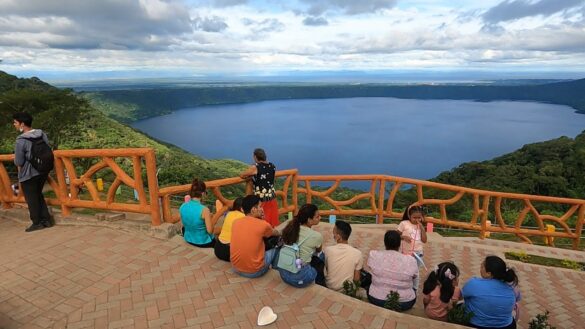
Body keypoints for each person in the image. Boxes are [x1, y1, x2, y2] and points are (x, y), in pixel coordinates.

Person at [12, 112, 53, 232]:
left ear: (22, 124)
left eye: (15, 122)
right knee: (38, 195)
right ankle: (46, 220)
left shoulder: (21, 140)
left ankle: (37, 222)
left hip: (29, 174)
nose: (14, 124)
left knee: (31, 198)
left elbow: (19, 161)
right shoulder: (41, 134)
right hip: (43, 170)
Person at [462, 256, 520, 329]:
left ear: (489, 273)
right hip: (506, 326)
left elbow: (462, 295)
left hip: (476, 325)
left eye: (482, 266)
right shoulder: (512, 286)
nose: (480, 267)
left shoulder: (474, 283)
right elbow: (517, 299)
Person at [366, 230, 418, 311]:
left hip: (376, 298)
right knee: (413, 287)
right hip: (404, 302)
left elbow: (371, 268)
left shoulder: (374, 255)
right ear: (399, 244)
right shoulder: (411, 260)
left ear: (385, 242)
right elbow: (414, 277)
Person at [231, 195, 280, 278]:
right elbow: (275, 233)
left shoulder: (235, 222)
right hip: (254, 271)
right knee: (278, 244)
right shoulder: (263, 225)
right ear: (253, 209)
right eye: (260, 206)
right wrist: (263, 219)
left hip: (235, 268)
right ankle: (275, 268)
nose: (262, 209)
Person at [276, 204, 324, 288]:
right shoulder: (316, 236)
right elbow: (319, 251)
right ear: (309, 220)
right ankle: (321, 283)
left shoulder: (291, 228)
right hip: (300, 279)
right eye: (317, 216)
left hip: (283, 274)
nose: (320, 218)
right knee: (321, 256)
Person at [240, 148, 279, 227]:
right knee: (272, 220)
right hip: (271, 197)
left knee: (262, 221)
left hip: (261, 199)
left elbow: (242, 175)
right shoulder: (272, 166)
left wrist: (250, 177)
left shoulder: (256, 167)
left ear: (255, 157)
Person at [323, 220, 363, 291]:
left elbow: (327, 267)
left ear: (338, 237)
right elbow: (356, 279)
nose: (333, 235)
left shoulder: (328, 250)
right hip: (347, 288)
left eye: (334, 233)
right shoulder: (358, 253)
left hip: (329, 285)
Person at [180, 178, 216, 248]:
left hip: (187, 238)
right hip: (202, 242)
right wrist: (211, 219)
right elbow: (210, 231)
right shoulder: (205, 210)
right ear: (203, 193)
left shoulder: (183, 206)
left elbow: (183, 224)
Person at [214, 197, 245, 262]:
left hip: (218, 248)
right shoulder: (243, 217)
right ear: (242, 209)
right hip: (229, 252)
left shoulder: (229, 214)